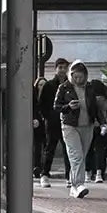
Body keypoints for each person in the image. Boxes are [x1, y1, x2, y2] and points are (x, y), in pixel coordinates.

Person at [54, 61, 107, 199]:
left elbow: (95, 108)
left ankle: (74, 186)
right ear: (71, 75)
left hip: (87, 125)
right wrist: (68, 106)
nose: (78, 80)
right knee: (76, 156)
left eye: (80, 77)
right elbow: (56, 106)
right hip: (69, 125)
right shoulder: (64, 87)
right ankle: (79, 184)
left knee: (81, 156)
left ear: (85, 76)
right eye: (75, 77)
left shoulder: (90, 88)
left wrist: (103, 123)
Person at [36, 57, 70, 186]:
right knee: (50, 148)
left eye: (64, 67)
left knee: (68, 149)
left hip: (67, 121)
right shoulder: (49, 85)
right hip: (52, 122)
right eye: (60, 67)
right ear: (56, 69)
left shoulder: (69, 85)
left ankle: (69, 176)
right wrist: (48, 117)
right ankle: (44, 174)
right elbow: (42, 104)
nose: (62, 70)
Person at [84, 76, 107, 183]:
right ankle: (99, 174)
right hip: (103, 128)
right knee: (100, 151)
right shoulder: (106, 101)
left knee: (88, 151)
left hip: (89, 126)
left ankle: (87, 174)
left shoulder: (89, 100)